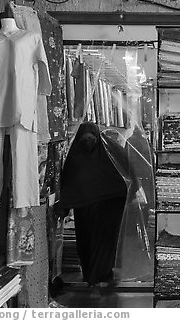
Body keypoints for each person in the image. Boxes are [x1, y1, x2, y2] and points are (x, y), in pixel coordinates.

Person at [55, 122, 129, 288]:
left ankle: (97, 276)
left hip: (107, 208)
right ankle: (94, 275)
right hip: (89, 210)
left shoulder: (109, 152)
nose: (88, 141)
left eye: (91, 137)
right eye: (85, 138)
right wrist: (65, 205)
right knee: (91, 243)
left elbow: (128, 174)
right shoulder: (79, 156)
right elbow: (69, 184)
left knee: (101, 242)